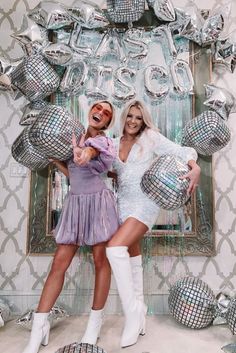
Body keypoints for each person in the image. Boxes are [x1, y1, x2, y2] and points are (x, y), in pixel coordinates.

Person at [22, 101, 119, 353]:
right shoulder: (74, 137)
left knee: (101, 263)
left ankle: (94, 326)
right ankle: (38, 328)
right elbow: (74, 172)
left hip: (98, 205)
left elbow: (89, 155)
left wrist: (84, 153)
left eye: (106, 112)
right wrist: (58, 161)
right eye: (98, 108)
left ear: (107, 123)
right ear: (91, 111)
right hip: (75, 204)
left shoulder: (104, 143)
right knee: (58, 264)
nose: (100, 112)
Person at [105, 100, 201, 348]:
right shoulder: (114, 144)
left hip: (145, 205)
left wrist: (195, 167)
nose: (134, 121)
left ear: (143, 120)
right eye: (130, 116)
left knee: (114, 249)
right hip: (122, 205)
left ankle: (133, 314)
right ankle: (142, 310)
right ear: (124, 117)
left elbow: (182, 151)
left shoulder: (151, 138)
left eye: (138, 117)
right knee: (132, 256)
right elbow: (115, 172)